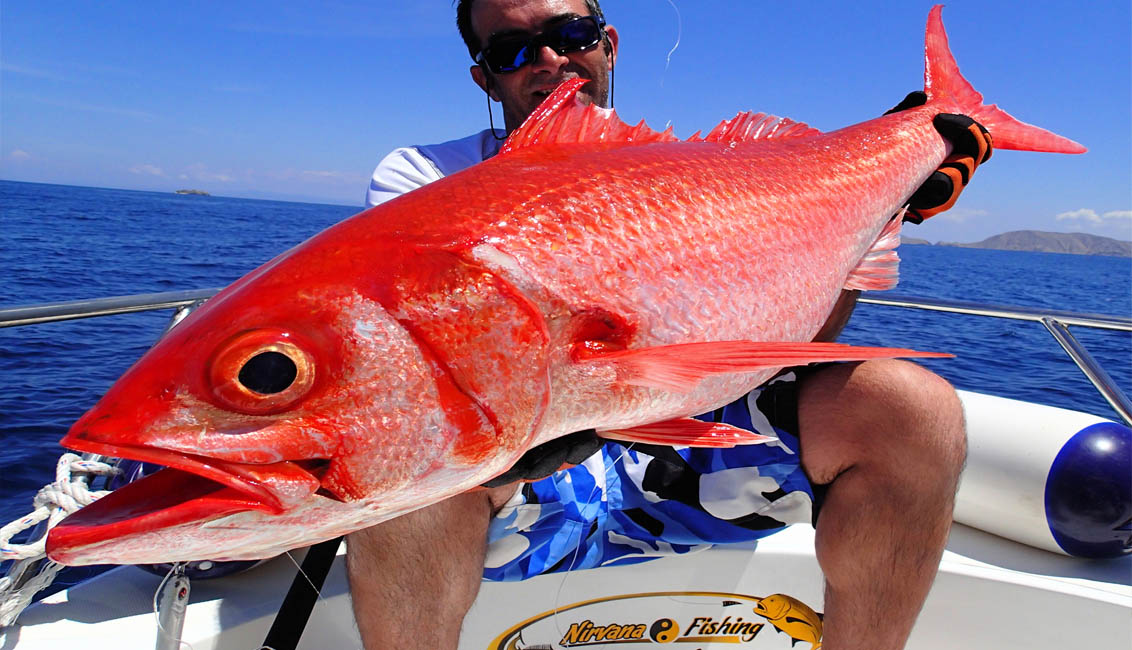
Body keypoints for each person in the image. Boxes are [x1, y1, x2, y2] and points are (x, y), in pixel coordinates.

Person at [348, 1, 982, 648]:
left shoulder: (711, 179)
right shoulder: (423, 183)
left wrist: (881, 207)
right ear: (484, 77)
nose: (549, 59)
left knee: (915, 407)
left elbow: (803, 339)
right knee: (403, 472)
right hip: (517, 470)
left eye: (570, 34)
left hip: (698, 432)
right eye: (512, 49)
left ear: (609, 44)